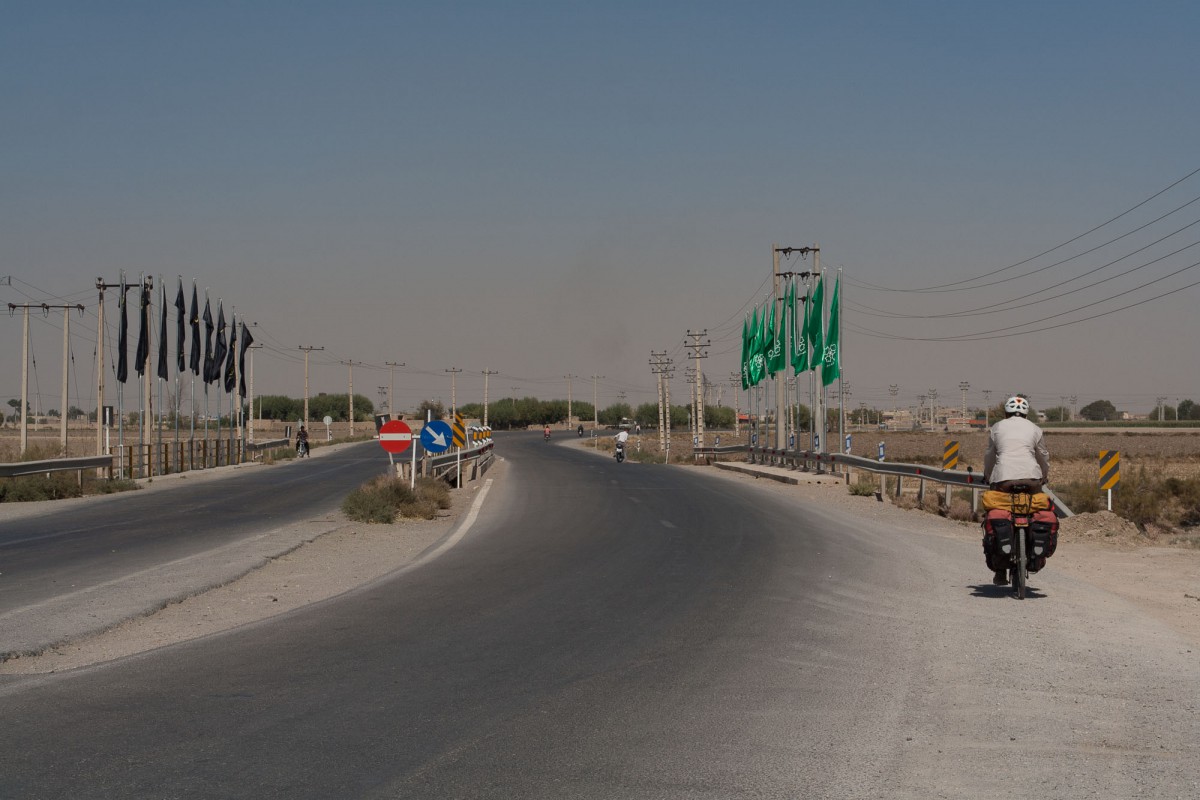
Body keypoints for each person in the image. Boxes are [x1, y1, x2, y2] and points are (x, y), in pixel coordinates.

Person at [981, 395, 1052, 584]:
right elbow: (1043, 455)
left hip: (1003, 478)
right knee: (1036, 508)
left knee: (996, 511)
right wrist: (1044, 475)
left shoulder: (997, 427)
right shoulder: (1035, 429)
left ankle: (1000, 571)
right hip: (1032, 478)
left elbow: (989, 455)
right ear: (1026, 414)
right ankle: (1033, 553)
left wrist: (988, 476)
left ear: (1006, 412)